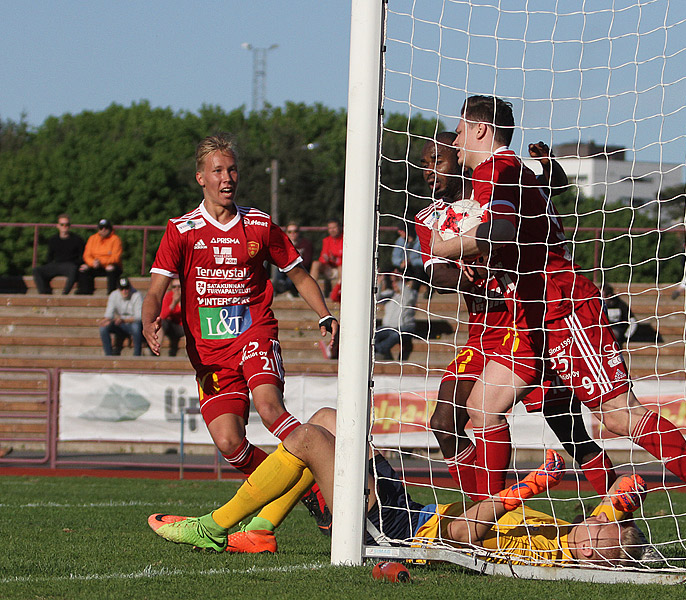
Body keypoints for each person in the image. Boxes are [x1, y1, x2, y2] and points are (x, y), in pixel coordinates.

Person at [430, 95, 686, 556]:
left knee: (618, 415)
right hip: (534, 313)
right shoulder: (508, 170)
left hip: (565, 307)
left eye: (459, 130)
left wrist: (449, 245)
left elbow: (499, 232)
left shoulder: (493, 169)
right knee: (482, 408)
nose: (454, 141)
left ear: (479, 130)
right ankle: (489, 520)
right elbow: (534, 202)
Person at [141, 133, 339, 553]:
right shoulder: (182, 230)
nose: (227, 178)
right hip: (210, 353)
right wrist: (148, 317)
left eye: (232, 170)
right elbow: (157, 286)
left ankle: (325, 482)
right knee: (230, 443)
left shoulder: (260, 224)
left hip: (254, 333)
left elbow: (299, 274)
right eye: (218, 171)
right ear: (201, 178)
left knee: (270, 409)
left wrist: (324, 313)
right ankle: (303, 487)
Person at [148, 407, 645, 567]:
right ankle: (261, 529)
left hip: (395, 534)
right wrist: (625, 497)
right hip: (411, 509)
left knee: (309, 438)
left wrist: (526, 487)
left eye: (604, 533)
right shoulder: (568, 528)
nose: (598, 524)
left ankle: (213, 526)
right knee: (329, 419)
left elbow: (462, 536)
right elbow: (621, 488)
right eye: (604, 521)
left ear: (603, 559)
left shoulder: (551, 552)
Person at [417, 133, 619, 501]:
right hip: (483, 332)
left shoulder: (496, 186)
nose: (429, 171)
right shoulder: (429, 218)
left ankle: (622, 513)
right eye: (425, 164)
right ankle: (482, 516)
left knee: (568, 428)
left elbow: (552, 181)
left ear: (460, 157)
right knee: (444, 422)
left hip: (526, 319)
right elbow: (436, 272)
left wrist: (548, 164)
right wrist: (468, 270)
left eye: (438, 161)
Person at [32, 214, 85, 295]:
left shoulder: (77, 239)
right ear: (58, 226)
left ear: (69, 226)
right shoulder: (53, 240)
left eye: (67, 224)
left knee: (73, 269)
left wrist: (79, 264)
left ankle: (64, 294)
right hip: (56, 264)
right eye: (62, 224)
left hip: (70, 265)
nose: (64, 226)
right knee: (37, 270)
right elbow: (49, 256)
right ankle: (43, 294)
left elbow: (82, 255)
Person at [373, 272, 418, 361]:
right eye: (393, 282)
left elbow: (407, 293)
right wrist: (380, 282)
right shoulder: (389, 294)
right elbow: (376, 298)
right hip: (388, 328)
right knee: (374, 334)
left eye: (396, 282)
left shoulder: (410, 294)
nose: (394, 284)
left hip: (405, 328)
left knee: (395, 335)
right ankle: (384, 354)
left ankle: (379, 350)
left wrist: (398, 280)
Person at [77, 219, 123, 295]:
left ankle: (111, 293)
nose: (103, 230)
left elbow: (116, 257)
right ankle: (85, 292)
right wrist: (92, 263)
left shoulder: (115, 239)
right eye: (101, 228)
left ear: (110, 229)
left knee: (111, 269)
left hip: (110, 266)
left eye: (106, 228)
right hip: (95, 265)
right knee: (83, 268)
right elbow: (86, 255)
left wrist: (101, 262)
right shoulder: (92, 238)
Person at [99, 277, 144, 356]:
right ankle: (108, 355)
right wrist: (105, 321)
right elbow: (109, 314)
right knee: (103, 328)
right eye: (122, 289)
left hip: (132, 323)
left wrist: (123, 320)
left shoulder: (137, 295)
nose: (124, 291)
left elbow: (139, 317)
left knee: (136, 327)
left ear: (130, 287)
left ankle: (137, 354)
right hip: (119, 324)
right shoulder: (114, 295)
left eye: (126, 288)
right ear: (118, 289)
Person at [272, 222, 315, 296]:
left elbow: (307, 262)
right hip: (285, 269)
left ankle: (285, 288)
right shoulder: (282, 244)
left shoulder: (306, 244)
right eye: (290, 232)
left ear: (299, 233)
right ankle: (279, 286)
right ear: (286, 233)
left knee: (291, 277)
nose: (293, 234)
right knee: (279, 270)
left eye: (295, 231)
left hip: (300, 269)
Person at [309, 219, 343, 301]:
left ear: (339, 228)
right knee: (315, 264)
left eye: (334, 227)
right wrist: (328, 259)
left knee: (341, 267)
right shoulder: (326, 240)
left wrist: (335, 259)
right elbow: (322, 259)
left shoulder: (345, 239)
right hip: (330, 267)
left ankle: (339, 291)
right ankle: (311, 291)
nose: (332, 230)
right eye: (330, 228)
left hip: (341, 268)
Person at [159, 279, 184, 357]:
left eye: (179, 287)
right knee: (162, 322)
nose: (176, 289)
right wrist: (173, 303)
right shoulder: (169, 296)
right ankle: (155, 351)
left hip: (183, 327)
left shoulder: (188, 297)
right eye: (174, 287)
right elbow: (163, 315)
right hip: (171, 326)